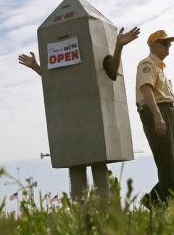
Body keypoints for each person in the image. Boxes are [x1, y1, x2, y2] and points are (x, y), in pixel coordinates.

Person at [19, 26, 140, 200]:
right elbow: (53, 79)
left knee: (99, 171)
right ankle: (79, 217)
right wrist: (36, 67)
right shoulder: (66, 65)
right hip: (70, 124)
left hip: (94, 122)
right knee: (76, 173)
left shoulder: (98, 59)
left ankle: (104, 215)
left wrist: (119, 46)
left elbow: (111, 70)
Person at [136, 30, 174, 209]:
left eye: (169, 43)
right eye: (164, 43)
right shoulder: (147, 64)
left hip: (170, 111)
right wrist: (157, 115)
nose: (168, 47)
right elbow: (146, 89)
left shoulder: (161, 68)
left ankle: (153, 200)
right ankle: (162, 206)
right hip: (156, 110)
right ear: (152, 45)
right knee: (166, 163)